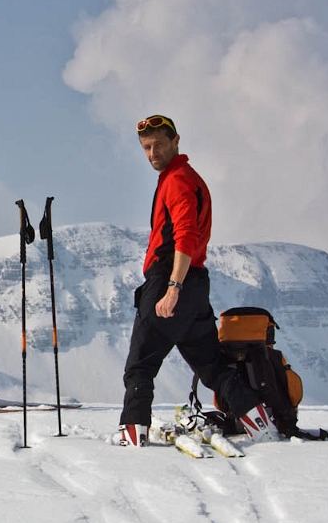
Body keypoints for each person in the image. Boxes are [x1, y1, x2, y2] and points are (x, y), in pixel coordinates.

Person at [117, 114, 275, 445]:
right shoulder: (187, 177)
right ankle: (260, 422)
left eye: (159, 144)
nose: (152, 153)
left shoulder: (176, 180)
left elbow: (185, 235)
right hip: (195, 284)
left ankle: (132, 435)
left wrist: (172, 288)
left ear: (176, 141)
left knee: (140, 366)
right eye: (146, 147)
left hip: (171, 280)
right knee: (213, 367)